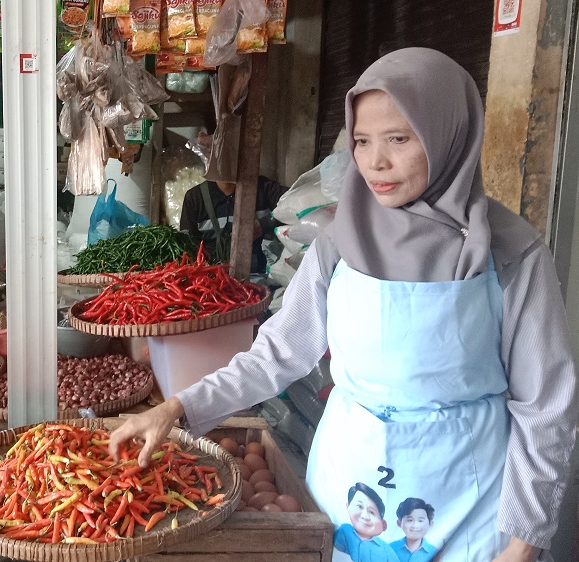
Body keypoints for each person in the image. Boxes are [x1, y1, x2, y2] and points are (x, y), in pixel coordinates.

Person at [110, 47, 578, 562]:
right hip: (348, 492)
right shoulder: (341, 242)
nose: (375, 162)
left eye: (399, 139)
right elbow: (278, 355)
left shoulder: (510, 252)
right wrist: (180, 408)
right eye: (361, 141)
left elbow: (546, 410)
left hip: (466, 504)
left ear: (451, 134)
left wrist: (524, 543)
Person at [179, 176, 287, 272]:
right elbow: (186, 250)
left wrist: (264, 224)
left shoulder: (264, 189)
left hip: (260, 276)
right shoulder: (195, 198)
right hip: (211, 281)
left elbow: (296, 205)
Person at [334, 483, 400, 562]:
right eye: (359, 506)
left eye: (372, 512)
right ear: (348, 506)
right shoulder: (345, 531)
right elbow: (335, 554)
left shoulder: (387, 550)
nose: (364, 516)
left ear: (382, 523)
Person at [392, 497, 438, 562]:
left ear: (430, 523)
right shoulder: (389, 549)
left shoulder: (436, 553)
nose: (415, 525)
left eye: (420, 521)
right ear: (399, 523)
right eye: (410, 520)